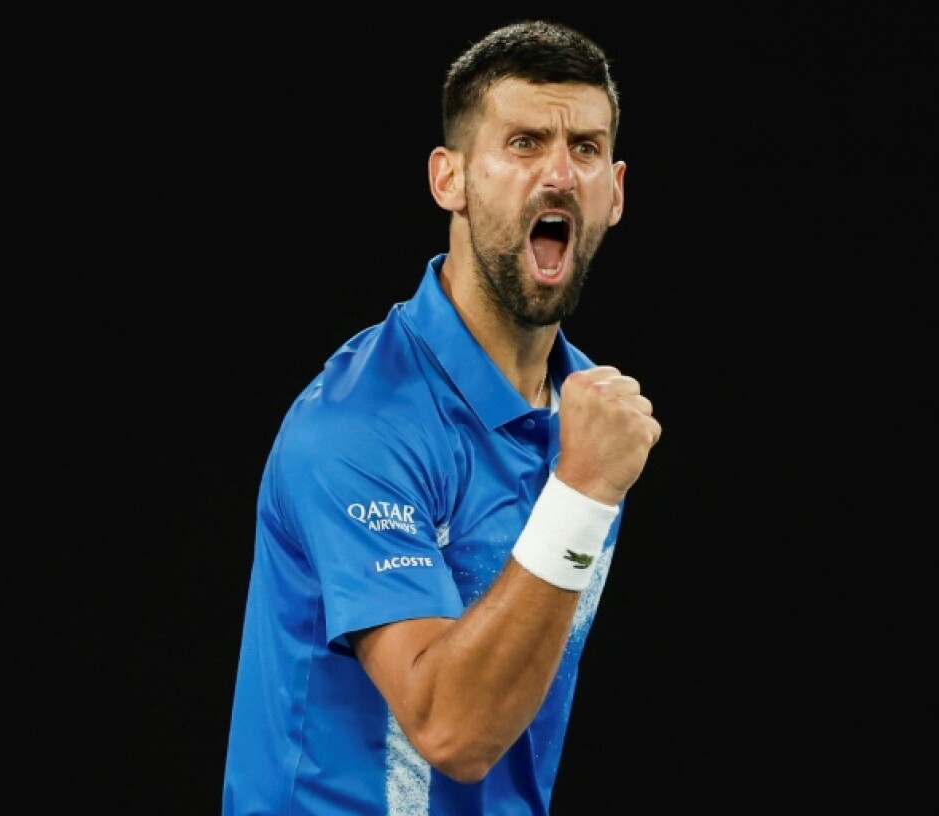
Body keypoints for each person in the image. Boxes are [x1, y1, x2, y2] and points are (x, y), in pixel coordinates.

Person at [221, 19, 661, 815]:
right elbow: (453, 730)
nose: (560, 173)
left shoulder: (589, 417)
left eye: (586, 148)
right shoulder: (356, 429)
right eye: (524, 143)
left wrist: (583, 480)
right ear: (448, 179)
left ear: (617, 191)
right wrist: (582, 493)